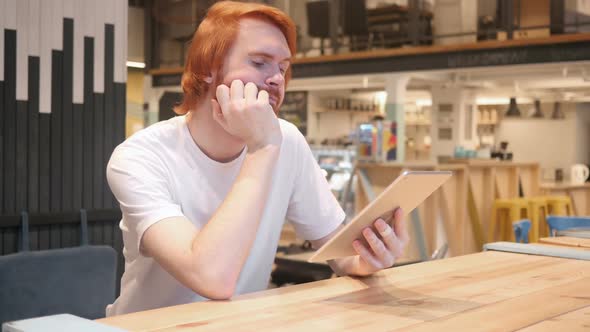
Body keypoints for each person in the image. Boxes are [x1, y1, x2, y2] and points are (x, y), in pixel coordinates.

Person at [105, 1, 408, 316]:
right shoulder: (139, 157)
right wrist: (261, 148)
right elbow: (211, 278)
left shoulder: (287, 140)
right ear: (208, 69)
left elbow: (339, 252)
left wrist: (367, 258)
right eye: (260, 62)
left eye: (283, 66)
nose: (277, 78)